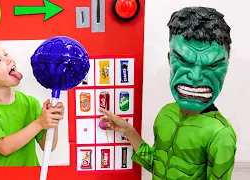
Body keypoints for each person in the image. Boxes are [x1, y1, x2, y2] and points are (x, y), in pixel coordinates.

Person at [100, 7, 237, 179]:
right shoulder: (167, 114)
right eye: (184, 61)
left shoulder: (221, 135)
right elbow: (158, 166)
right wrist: (128, 130)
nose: (195, 77)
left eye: (212, 66)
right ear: (170, 60)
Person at [0, 41, 64, 166]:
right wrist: (39, 123)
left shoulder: (30, 103)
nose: (8, 59)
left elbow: (48, 146)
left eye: (5, 54)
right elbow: (4, 147)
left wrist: (52, 121)